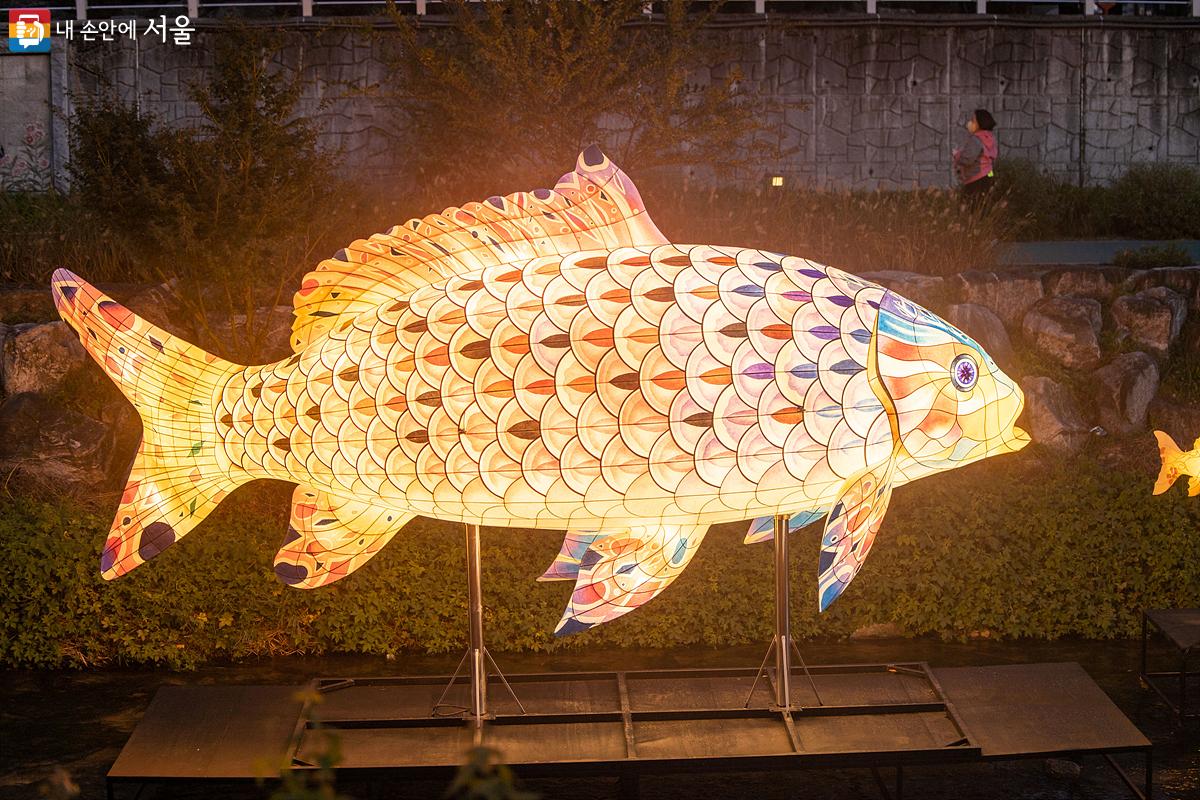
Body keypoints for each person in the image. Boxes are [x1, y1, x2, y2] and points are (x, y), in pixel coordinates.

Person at [952, 109, 998, 206]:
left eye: (973, 121)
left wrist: (957, 155)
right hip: (988, 175)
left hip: (976, 179)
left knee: (970, 210)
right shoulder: (990, 138)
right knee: (983, 208)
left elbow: (967, 159)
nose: (970, 123)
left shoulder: (976, 139)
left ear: (980, 123)